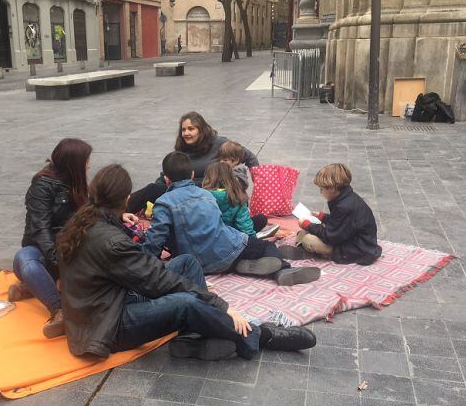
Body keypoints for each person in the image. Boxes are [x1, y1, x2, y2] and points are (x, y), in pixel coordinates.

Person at [56, 164, 317, 360]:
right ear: (125, 199)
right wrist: (221, 305)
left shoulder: (85, 221)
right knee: (185, 302)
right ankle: (260, 336)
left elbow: (144, 269)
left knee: (187, 263)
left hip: (105, 303)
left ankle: (198, 333)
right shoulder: (109, 240)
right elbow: (157, 280)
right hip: (106, 326)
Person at [9, 139, 140, 338]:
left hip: (70, 246)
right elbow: (40, 230)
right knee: (25, 261)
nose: (88, 165)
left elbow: (91, 211)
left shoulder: (76, 181)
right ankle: (60, 310)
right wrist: (59, 262)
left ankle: (33, 286)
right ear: (74, 163)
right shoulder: (41, 186)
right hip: (44, 251)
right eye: (86, 160)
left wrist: (118, 214)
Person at [142, 152, 320, 286]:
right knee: (265, 245)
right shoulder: (205, 195)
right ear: (192, 174)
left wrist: (144, 263)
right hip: (227, 252)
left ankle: (245, 265)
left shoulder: (163, 203)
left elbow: (156, 240)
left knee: (242, 246)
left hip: (197, 264)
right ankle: (282, 270)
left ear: (166, 178)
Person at [127, 112, 259, 213]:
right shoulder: (182, 148)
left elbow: (248, 156)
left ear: (201, 130)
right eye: (183, 130)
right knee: (153, 189)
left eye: (191, 129)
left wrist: (260, 181)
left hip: (210, 195)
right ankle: (119, 208)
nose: (186, 133)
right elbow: (170, 170)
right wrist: (160, 185)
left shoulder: (219, 143)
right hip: (183, 191)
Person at [291, 163, 382, 266]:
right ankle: (301, 248)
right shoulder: (346, 198)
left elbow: (330, 236)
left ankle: (307, 250)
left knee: (308, 239)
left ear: (332, 189)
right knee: (305, 232)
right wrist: (323, 217)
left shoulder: (344, 206)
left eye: (322, 189)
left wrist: (307, 224)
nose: (321, 192)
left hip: (357, 249)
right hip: (349, 240)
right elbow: (342, 223)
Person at [202, 162, 256, 236]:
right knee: (260, 220)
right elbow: (245, 226)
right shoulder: (236, 196)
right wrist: (254, 240)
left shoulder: (201, 196)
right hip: (233, 240)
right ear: (231, 177)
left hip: (209, 239)